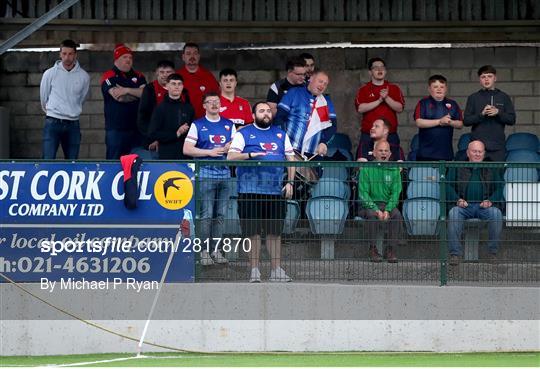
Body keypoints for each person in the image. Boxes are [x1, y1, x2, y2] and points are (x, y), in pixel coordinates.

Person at [227, 101, 296, 282]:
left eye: (268, 111)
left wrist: (290, 182)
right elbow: (231, 156)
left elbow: (291, 159)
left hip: (275, 191)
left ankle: (276, 271)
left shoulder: (281, 134)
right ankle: (254, 271)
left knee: (275, 232)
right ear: (253, 115)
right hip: (249, 191)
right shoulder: (243, 133)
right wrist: (250, 155)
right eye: (261, 111)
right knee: (253, 232)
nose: (265, 113)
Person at [183, 92, 233, 266]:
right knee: (206, 214)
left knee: (220, 215)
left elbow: (235, 149)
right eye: (210, 102)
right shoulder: (198, 124)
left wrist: (230, 148)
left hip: (225, 174)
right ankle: (203, 252)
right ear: (204, 105)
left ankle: (216, 250)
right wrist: (209, 152)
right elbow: (187, 149)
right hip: (205, 173)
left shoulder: (229, 124)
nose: (214, 104)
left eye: (217, 102)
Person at [446, 140, 504, 266]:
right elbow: (447, 186)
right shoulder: (457, 166)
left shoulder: (491, 168)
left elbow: (500, 187)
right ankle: (455, 254)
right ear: (468, 153)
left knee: (496, 214)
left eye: (480, 152)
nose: (477, 154)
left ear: (484, 154)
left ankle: (492, 253)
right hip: (463, 206)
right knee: (454, 213)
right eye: (474, 151)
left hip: (484, 207)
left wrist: (491, 201)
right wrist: (457, 200)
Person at [40, 39, 90, 159]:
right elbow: (43, 96)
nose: (67, 57)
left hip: (73, 123)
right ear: (60, 54)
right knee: (48, 160)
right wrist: (52, 111)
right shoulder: (49, 73)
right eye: (64, 54)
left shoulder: (84, 76)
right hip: (53, 121)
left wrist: (72, 109)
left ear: (75, 55)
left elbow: (83, 97)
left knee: (72, 163)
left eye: (70, 54)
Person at [358, 140, 403, 263]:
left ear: (389, 154)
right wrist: (376, 209)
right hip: (368, 206)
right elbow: (363, 193)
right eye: (380, 150)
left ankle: (390, 250)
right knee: (372, 215)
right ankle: (372, 250)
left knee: (397, 214)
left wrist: (388, 210)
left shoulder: (394, 170)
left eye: (386, 151)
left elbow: (395, 193)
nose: (383, 153)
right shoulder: (366, 169)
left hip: (387, 205)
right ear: (374, 153)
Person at [274, 70, 337, 158]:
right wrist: (283, 141)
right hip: (291, 150)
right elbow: (279, 118)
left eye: (325, 84)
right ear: (310, 78)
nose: (322, 85)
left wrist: (324, 142)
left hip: (314, 153)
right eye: (320, 81)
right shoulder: (293, 93)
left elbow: (332, 126)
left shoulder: (326, 102)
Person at [101, 43, 146, 159]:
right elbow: (119, 97)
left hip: (137, 129)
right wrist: (136, 93)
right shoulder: (109, 75)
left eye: (130, 57)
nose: (128, 60)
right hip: (116, 129)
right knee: (114, 163)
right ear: (116, 59)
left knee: (137, 163)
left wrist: (126, 90)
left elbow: (145, 94)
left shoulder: (139, 75)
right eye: (124, 57)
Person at [464, 65, 516, 162]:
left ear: (495, 78)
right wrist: (481, 114)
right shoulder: (473, 97)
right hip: (477, 146)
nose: (486, 79)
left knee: (496, 175)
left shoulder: (504, 97)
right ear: (479, 80)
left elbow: (512, 120)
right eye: (483, 77)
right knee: (477, 175)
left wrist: (498, 112)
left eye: (489, 76)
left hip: (497, 146)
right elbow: (466, 121)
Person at [354, 57, 405, 151]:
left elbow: (400, 108)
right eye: (376, 67)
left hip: (390, 135)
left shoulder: (394, 88)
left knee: (393, 163)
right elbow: (360, 108)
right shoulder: (364, 89)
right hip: (369, 135)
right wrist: (379, 101)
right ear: (370, 72)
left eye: (382, 67)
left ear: (385, 71)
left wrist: (387, 98)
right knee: (364, 163)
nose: (380, 69)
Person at [414, 74, 463, 161]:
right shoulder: (423, 103)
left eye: (442, 86)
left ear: (446, 89)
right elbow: (419, 122)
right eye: (435, 87)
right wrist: (440, 121)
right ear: (429, 89)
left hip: (446, 155)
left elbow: (460, 124)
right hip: (426, 155)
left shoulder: (453, 104)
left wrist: (450, 122)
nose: (439, 89)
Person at [148, 74, 194, 160]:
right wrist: (176, 134)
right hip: (167, 155)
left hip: (186, 155)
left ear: (183, 86)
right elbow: (152, 133)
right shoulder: (160, 108)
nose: (177, 86)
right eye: (173, 84)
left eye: (179, 84)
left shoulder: (188, 108)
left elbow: (193, 132)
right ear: (167, 86)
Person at [137, 60, 177, 158]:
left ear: (174, 73)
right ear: (156, 73)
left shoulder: (181, 90)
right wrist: (153, 138)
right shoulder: (149, 89)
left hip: (175, 139)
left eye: (168, 72)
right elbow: (143, 117)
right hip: (153, 141)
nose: (165, 75)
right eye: (162, 72)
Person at [177, 42, 219, 119]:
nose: (192, 56)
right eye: (188, 54)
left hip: (205, 122)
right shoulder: (177, 77)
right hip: (182, 123)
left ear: (199, 56)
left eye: (195, 53)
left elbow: (217, 98)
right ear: (183, 57)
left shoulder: (208, 76)